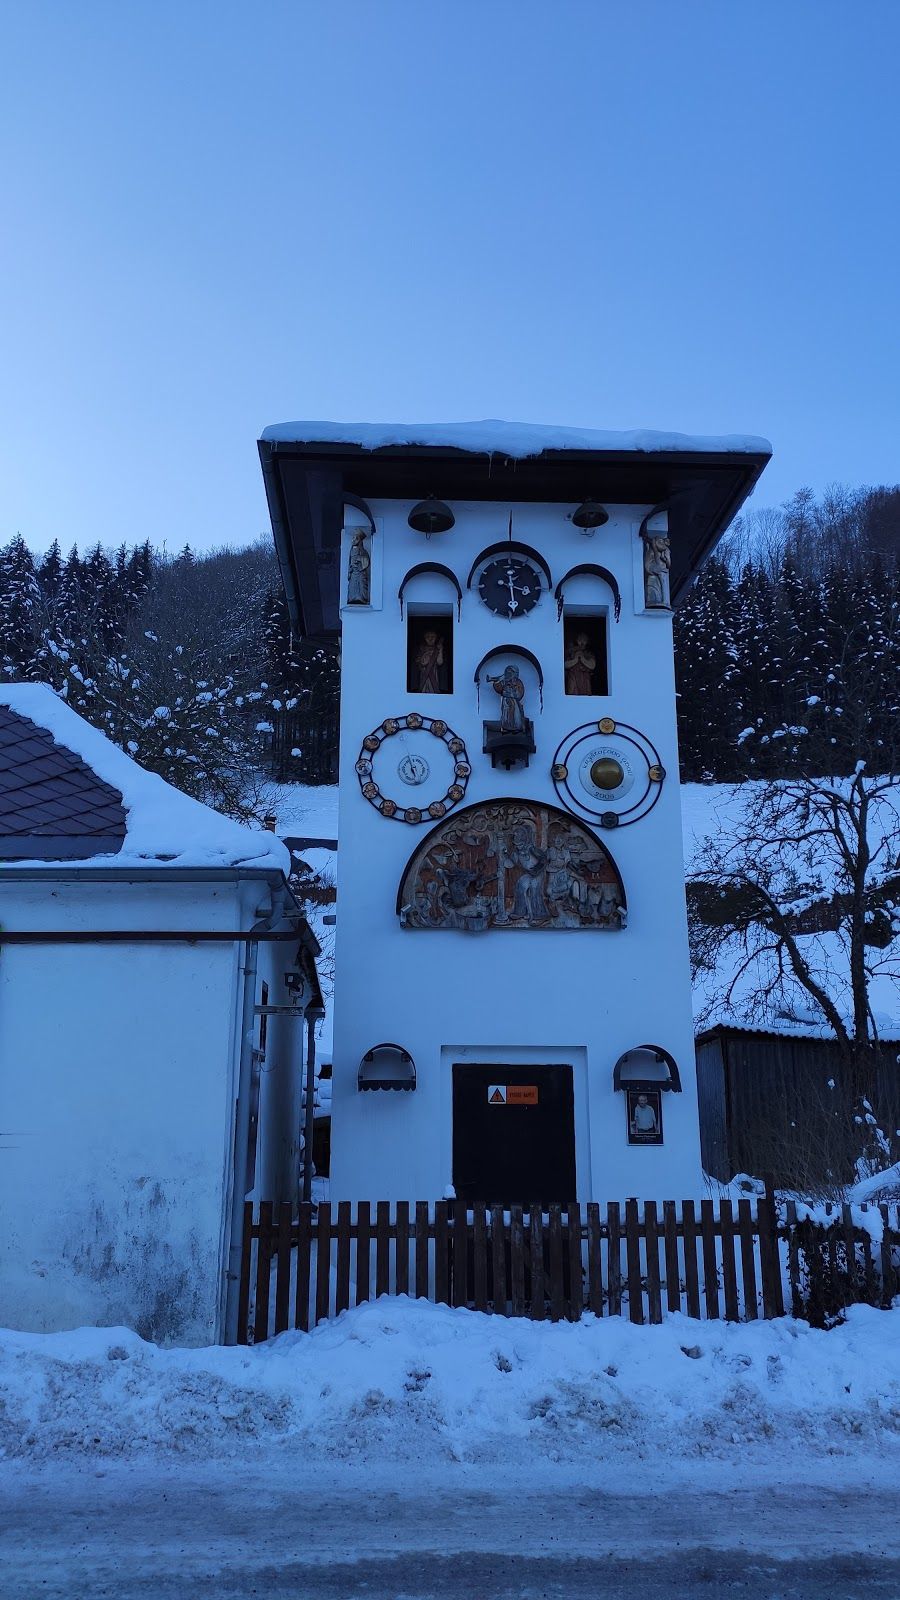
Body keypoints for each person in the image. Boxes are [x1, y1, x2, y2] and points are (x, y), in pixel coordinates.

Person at [487, 664, 527, 733]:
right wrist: (496, 682)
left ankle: (517, 728)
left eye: (511, 672)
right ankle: (506, 728)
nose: (509, 674)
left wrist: (511, 693)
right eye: (508, 672)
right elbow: (499, 689)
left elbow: (520, 693)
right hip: (506, 702)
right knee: (506, 715)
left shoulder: (518, 682)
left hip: (514, 702)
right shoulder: (504, 681)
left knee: (516, 715)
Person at [414, 629, 445, 693]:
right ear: (424, 638)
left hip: (434, 674)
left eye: (432, 637)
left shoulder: (437, 649)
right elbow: (421, 662)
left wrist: (440, 650)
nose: (430, 639)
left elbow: (439, 662)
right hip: (424, 674)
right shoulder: (421, 649)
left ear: (436, 637)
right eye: (428, 637)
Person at [347, 530, 371, 605]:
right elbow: (349, 562)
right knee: (353, 587)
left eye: (356, 538)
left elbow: (366, 560)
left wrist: (359, 559)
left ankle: (362, 599)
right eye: (353, 538)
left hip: (360, 573)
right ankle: (352, 598)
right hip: (354, 573)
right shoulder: (351, 551)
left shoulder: (364, 551)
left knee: (361, 586)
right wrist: (350, 569)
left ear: (360, 540)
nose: (353, 540)